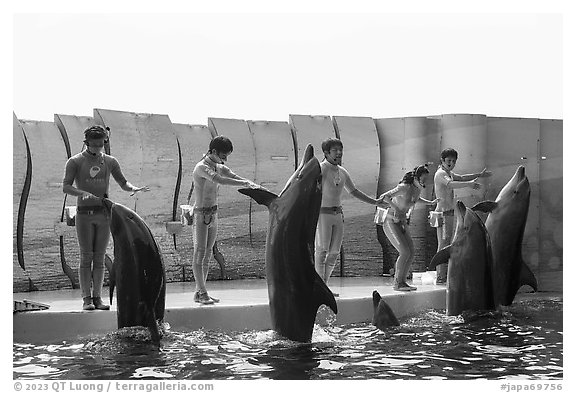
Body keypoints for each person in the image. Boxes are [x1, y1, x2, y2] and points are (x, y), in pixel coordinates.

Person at [63, 125, 149, 311]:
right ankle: (86, 298)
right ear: (86, 143)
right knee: (86, 257)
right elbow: (66, 187)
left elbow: (123, 182)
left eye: (100, 144)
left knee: (100, 258)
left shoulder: (110, 161)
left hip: (103, 214)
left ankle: (98, 298)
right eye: (93, 145)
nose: (97, 148)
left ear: (105, 142)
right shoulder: (75, 161)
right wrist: (82, 193)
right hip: (84, 215)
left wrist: (134, 189)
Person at [190, 136, 259, 305]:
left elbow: (231, 174)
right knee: (199, 253)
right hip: (200, 214)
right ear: (213, 151)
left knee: (207, 254)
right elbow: (219, 179)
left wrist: (249, 183)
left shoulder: (218, 166)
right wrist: (242, 182)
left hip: (213, 214)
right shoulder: (202, 167)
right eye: (223, 155)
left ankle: (200, 291)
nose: (225, 159)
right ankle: (202, 291)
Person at [315, 138, 385, 296]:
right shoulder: (321, 169)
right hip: (323, 214)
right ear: (326, 153)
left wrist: (374, 202)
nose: (339, 153)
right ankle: (318, 287)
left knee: (334, 252)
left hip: (337, 214)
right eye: (335, 150)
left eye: (340, 149)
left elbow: (354, 191)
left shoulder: (342, 171)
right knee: (321, 251)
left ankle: (324, 287)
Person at [430, 148, 492, 284]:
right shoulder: (440, 174)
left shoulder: (448, 173)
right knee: (443, 243)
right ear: (442, 160)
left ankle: (444, 274)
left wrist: (479, 175)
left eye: (453, 161)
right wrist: (469, 185)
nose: (451, 163)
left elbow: (462, 177)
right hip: (442, 214)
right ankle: (441, 276)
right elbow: (451, 184)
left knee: (447, 243)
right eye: (448, 161)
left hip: (449, 213)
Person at [377, 165, 438, 291]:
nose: (425, 182)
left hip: (402, 222)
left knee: (411, 252)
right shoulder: (404, 187)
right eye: (423, 179)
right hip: (391, 221)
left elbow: (414, 200)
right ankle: (397, 283)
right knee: (404, 252)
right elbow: (385, 196)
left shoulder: (417, 189)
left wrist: (430, 203)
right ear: (416, 177)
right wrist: (396, 207)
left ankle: (403, 281)